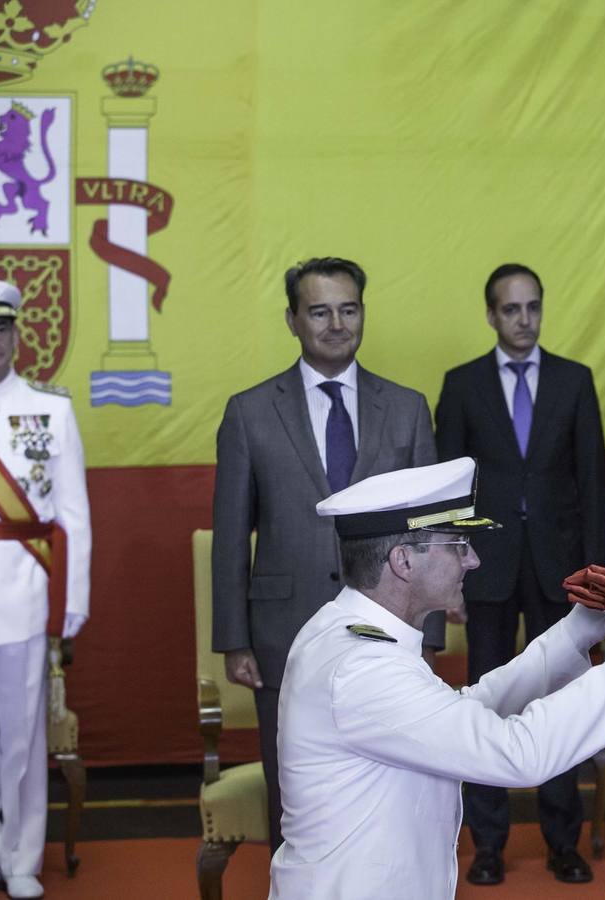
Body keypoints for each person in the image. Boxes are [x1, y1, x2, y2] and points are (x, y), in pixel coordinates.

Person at [268, 458, 605, 898]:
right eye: (458, 544)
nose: (474, 560)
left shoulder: (350, 635)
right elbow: (516, 754)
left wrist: (572, 638)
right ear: (403, 560)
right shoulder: (362, 665)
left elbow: (464, 715)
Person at [212, 257, 436, 852]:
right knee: (296, 791)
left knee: (393, 780)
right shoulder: (250, 411)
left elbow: (429, 529)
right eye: (319, 311)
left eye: (349, 308)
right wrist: (235, 640)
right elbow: (231, 535)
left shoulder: (408, 407)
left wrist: (430, 632)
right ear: (292, 319)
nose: (336, 323)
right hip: (283, 632)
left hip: (390, 627)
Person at [434, 262, 605, 885]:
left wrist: (600, 584)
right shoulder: (461, 385)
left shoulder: (573, 380)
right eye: (511, 309)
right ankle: (487, 845)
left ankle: (564, 840)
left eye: (533, 306)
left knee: (560, 702)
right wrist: (447, 577)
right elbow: (447, 494)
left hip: (560, 570)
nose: (524, 319)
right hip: (486, 569)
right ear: (490, 315)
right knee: (485, 705)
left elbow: (593, 484)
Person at [0, 280, 91, 900]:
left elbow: (74, 514)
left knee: (22, 731)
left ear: (15, 333)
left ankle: (21, 856)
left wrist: (75, 598)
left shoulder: (49, 409)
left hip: (21, 591)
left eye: (1, 329)